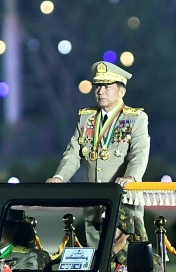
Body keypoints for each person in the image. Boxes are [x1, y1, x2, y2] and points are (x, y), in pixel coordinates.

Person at [47, 61, 150, 247]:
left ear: (122, 91)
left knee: (126, 259)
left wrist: (131, 177)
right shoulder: (87, 118)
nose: (100, 91)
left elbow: (140, 152)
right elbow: (73, 152)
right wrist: (59, 177)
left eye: (107, 86)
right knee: (96, 256)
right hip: (94, 201)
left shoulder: (135, 118)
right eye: (98, 86)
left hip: (123, 199)